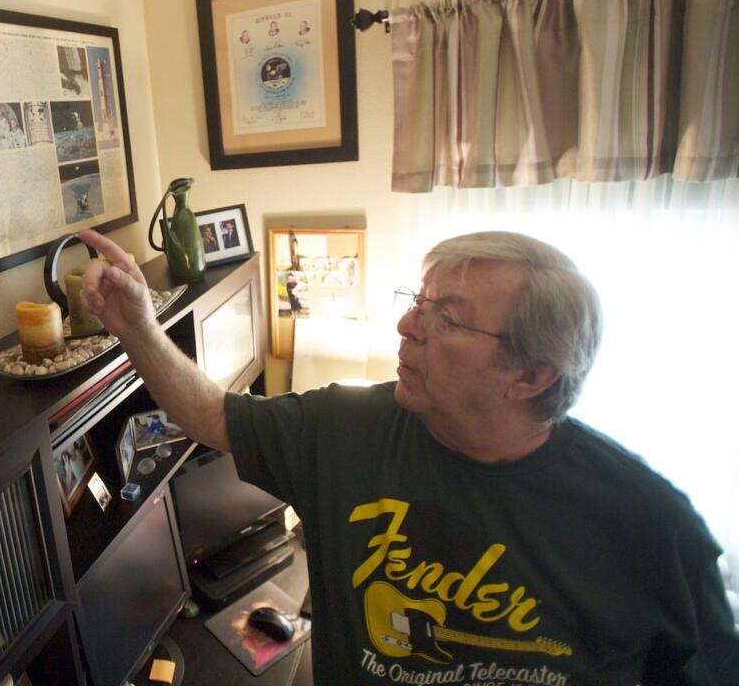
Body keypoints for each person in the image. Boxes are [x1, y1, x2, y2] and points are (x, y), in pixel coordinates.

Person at [75, 227, 739, 684]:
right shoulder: (344, 428)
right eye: (419, 300)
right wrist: (137, 325)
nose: (407, 324)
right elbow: (213, 416)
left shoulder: (649, 524)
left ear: (531, 376)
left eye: (447, 316)